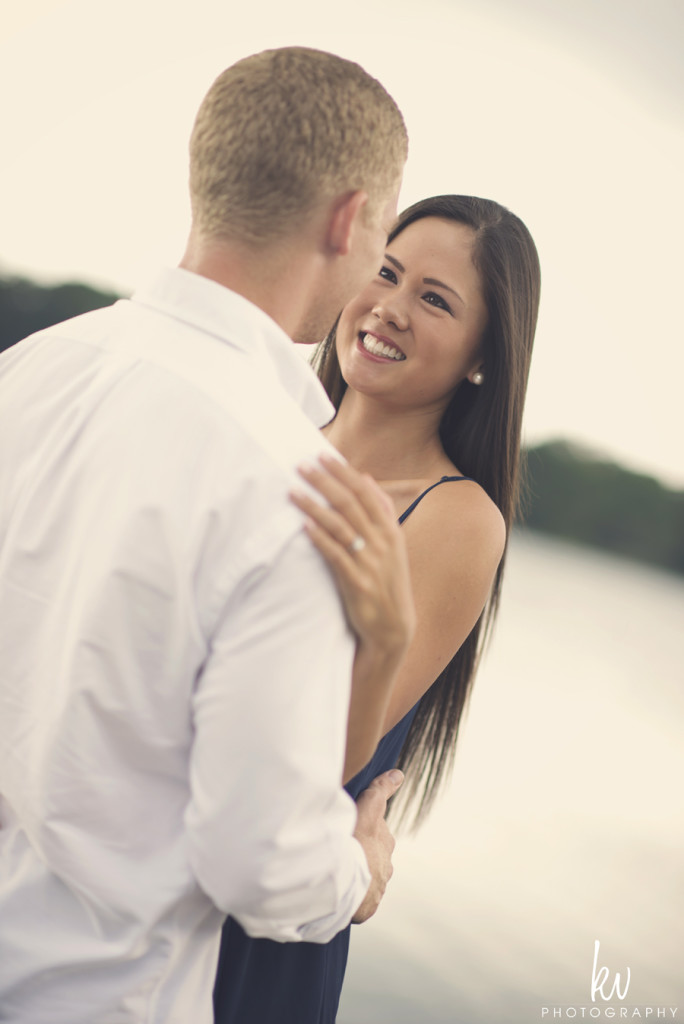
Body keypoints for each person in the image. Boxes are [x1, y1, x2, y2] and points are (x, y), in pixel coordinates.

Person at [0, 47, 411, 1023]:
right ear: (350, 219)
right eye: (384, 231)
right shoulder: (299, 487)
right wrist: (362, 867)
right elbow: (260, 863)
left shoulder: (30, 370)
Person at [213, 194, 542, 1023]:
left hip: (271, 912)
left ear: (481, 358)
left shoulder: (456, 518)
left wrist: (353, 880)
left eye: (435, 299)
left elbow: (317, 753)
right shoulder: (256, 429)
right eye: (387, 272)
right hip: (148, 871)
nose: (389, 308)